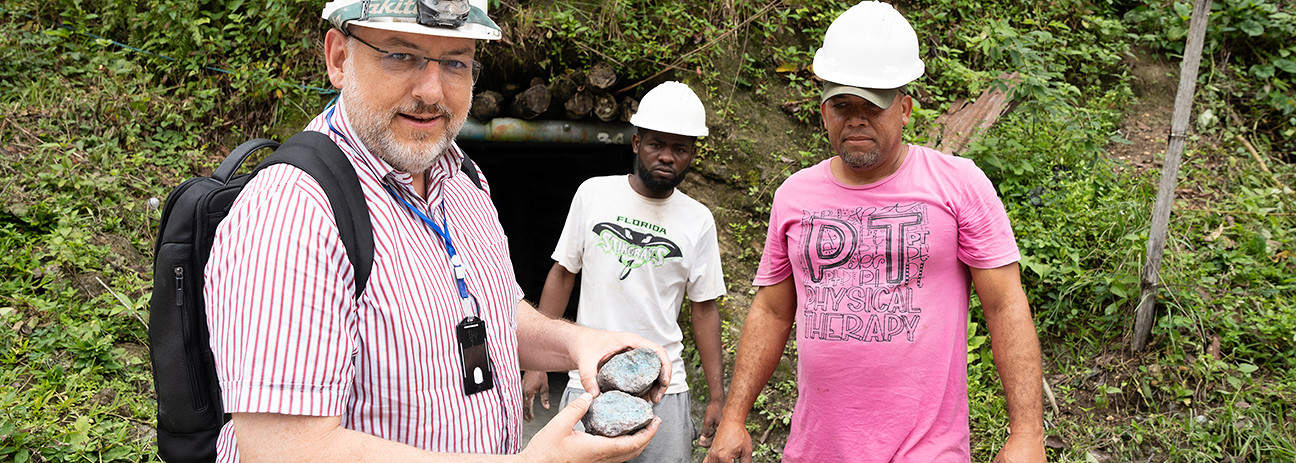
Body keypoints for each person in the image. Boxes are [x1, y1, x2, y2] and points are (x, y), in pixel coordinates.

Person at [203, 0, 671, 461]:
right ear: (339, 59)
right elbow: (283, 450)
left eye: (454, 62)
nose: (431, 90)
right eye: (400, 55)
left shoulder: (462, 177)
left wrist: (580, 344)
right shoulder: (294, 210)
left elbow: (492, 309)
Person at [704, 2, 1046, 462]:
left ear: (905, 108)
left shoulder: (958, 184)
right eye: (843, 105)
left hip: (926, 450)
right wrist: (734, 417)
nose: (856, 118)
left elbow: (1005, 305)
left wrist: (1026, 433)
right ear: (823, 109)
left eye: (873, 105)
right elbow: (770, 311)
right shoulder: (794, 195)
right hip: (816, 450)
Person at [520, 81, 727, 462]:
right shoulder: (594, 194)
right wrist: (535, 364)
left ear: (692, 155)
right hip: (589, 381)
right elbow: (563, 273)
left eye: (679, 149)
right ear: (636, 144)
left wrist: (717, 397)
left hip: (663, 389)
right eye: (656, 144)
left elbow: (704, 308)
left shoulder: (698, 220)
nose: (667, 156)